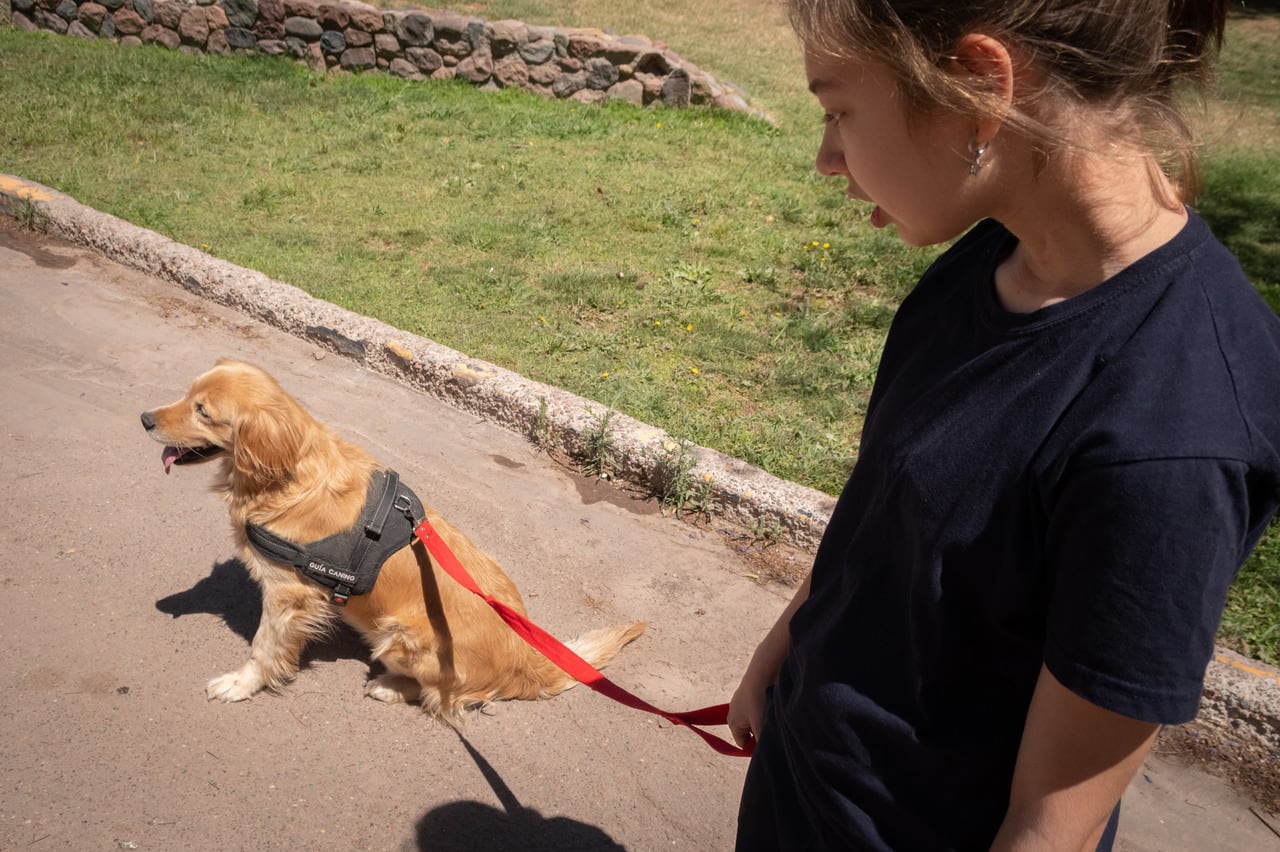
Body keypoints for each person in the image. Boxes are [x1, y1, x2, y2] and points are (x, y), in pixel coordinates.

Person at [727, 1, 1280, 849]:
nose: (826, 157)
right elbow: (888, 507)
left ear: (981, 86)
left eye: (838, 110)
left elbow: (1050, 825)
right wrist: (784, 644)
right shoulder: (988, 263)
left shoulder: (1173, 434)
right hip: (799, 787)